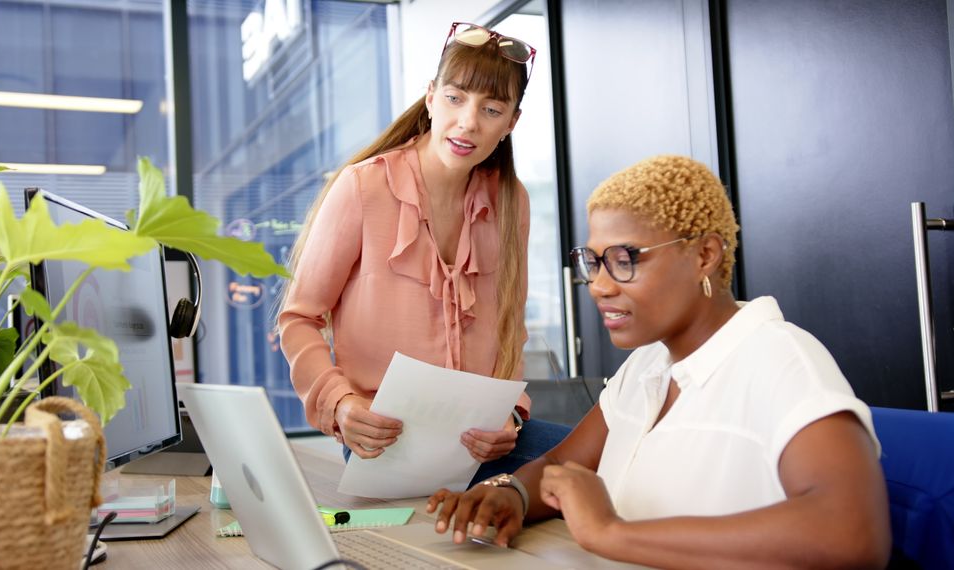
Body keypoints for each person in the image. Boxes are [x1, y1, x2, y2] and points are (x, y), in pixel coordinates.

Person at [427, 155, 891, 568]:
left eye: (625, 258)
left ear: (705, 255)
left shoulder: (782, 360)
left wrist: (610, 532)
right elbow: (567, 466)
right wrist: (513, 494)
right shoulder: (649, 364)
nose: (600, 286)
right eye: (594, 262)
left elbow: (852, 533)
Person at [278, 22, 569, 484]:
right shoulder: (363, 186)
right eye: (455, 99)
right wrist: (342, 404)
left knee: (612, 461)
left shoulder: (512, 201)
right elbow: (299, 319)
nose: (469, 122)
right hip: (384, 441)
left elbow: (511, 328)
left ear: (511, 122)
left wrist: (512, 415)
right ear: (431, 97)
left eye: (491, 109)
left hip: (479, 442)